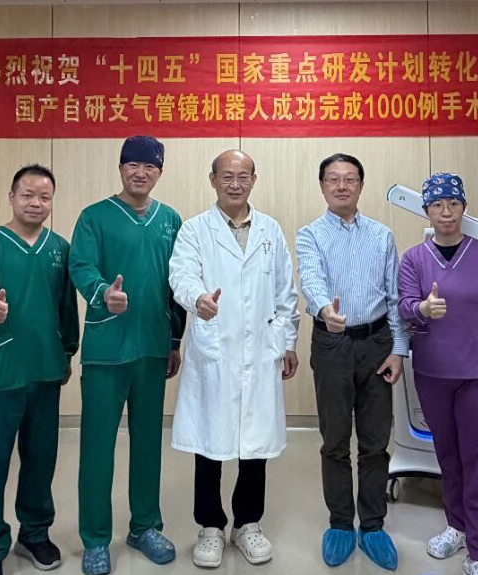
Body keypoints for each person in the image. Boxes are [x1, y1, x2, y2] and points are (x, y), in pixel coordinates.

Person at [168, 149, 300, 568]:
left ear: (253, 180)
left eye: (243, 176)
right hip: (216, 349)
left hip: (260, 351)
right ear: (213, 180)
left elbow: (285, 293)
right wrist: (198, 299)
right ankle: (210, 527)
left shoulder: (270, 230)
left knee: (254, 444)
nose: (235, 183)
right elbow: (181, 275)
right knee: (210, 442)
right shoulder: (195, 230)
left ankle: (247, 524)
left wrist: (287, 342)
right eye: (227, 176)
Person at [396, 173, 478, 575]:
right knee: (448, 456)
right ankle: (455, 526)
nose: (446, 212)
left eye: (453, 204)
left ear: (464, 208)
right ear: (426, 211)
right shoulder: (414, 259)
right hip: (434, 372)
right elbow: (404, 307)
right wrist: (422, 309)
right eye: (438, 205)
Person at [68, 135, 186, 575]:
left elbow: (178, 282)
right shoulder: (94, 217)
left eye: (149, 166)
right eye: (132, 164)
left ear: (160, 172)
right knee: (97, 447)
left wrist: (173, 341)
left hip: (152, 348)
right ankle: (95, 539)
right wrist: (103, 294)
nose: (140, 172)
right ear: (120, 169)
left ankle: (144, 526)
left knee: (148, 443)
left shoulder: (169, 220)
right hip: (107, 349)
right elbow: (81, 266)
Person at [0, 164, 79, 575]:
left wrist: (68, 351)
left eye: (44, 197)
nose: (36, 203)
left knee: (41, 459)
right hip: (1, 371)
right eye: (27, 195)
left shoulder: (60, 249)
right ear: (11, 197)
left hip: (46, 371)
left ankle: (34, 534)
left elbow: (67, 307)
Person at [295, 153, 407, 571]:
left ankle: (373, 525)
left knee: (376, 441)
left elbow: (394, 297)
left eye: (350, 179)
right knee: (335, 440)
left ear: (361, 185)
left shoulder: (382, 235)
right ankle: (341, 523)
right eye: (333, 179)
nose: (341, 186)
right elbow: (311, 278)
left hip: (377, 342)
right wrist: (326, 309)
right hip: (332, 344)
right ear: (322, 186)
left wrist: (398, 349)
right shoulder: (310, 234)